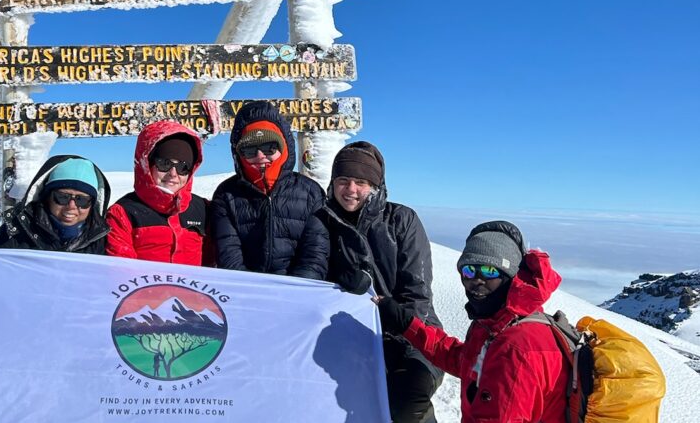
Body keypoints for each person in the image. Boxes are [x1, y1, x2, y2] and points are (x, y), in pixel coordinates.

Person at [376, 221, 570, 423]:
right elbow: (464, 361)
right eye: (469, 270)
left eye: (489, 271)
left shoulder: (517, 347)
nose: (477, 280)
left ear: (511, 276)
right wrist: (406, 323)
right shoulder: (495, 324)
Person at [317, 141, 443, 423]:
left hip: (414, 336)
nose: (350, 189)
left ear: (375, 186)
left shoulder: (401, 220)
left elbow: (417, 294)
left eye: (361, 182)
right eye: (343, 180)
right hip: (350, 338)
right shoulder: (324, 222)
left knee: (406, 404)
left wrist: (395, 336)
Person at [211, 100, 328, 279]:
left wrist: (295, 290)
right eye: (249, 150)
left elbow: (315, 255)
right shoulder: (226, 194)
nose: (260, 156)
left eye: (269, 148)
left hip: (298, 290)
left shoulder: (311, 192)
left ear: (284, 147)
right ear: (238, 154)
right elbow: (229, 256)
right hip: (246, 289)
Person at [105, 121, 210, 265]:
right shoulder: (123, 213)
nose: (173, 173)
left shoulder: (203, 209)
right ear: (147, 164)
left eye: (183, 167)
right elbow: (121, 269)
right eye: (164, 164)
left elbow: (216, 262)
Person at [0, 155, 111, 253]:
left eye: (81, 200)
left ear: (92, 204)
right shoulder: (17, 230)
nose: (71, 206)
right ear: (47, 197)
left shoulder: (103, 240)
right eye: (62, 197)